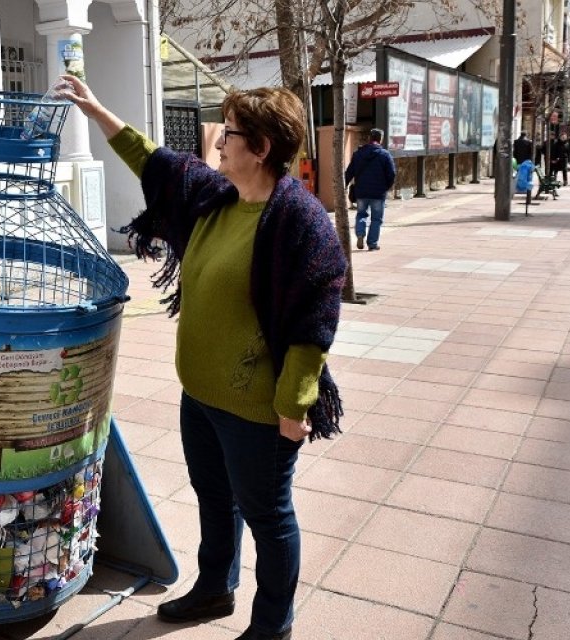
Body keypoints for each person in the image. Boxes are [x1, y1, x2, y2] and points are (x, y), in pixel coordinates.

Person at [59, 74, 346, 640]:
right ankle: (215, 588)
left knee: (268, 516)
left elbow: (314, 323)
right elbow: (155, 161)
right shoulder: (217, 198)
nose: (218, 142)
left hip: (258, 410)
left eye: (230, 134)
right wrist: (98, 112)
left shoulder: (298, 221)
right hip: (202, 395)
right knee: (214, 498)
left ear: (260, 149)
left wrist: (294, 404)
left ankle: (272, 626)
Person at [345, 128, 397, 251]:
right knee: (376, 219)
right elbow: (392, 174)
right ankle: (372, 243)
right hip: (378, 193)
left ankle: (360, 234)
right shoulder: (385, 155)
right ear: (381, 139)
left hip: (361, 192)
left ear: (370, 138)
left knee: (361, 214)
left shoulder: (358, 153)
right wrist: (386, 187)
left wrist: (344, 184)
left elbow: (349, 171)